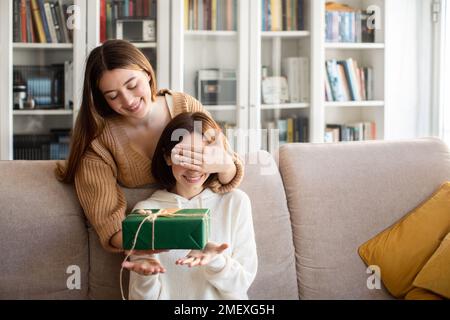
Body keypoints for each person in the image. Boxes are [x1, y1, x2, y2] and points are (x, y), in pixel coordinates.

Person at [55, 40, 244, 256]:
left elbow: (230, 175)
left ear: (146, 72)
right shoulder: (99, 141)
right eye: (113, 96)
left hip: (213, 226)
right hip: (151, 244)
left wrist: (223, 163)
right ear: (102, 99)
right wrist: (175, 240)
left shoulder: (186, 107)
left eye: (132, 85)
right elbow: (112, 229)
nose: (128, 100)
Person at [122, 112, 257, 300]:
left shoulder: (236, 203)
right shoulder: (146, 212)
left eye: (201, 156)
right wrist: (146, 277)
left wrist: (215, 261)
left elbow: (242, 284)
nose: (194, 168)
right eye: (184, 156)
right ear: (168, 157)